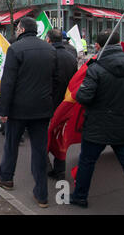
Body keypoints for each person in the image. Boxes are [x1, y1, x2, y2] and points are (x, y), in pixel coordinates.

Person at [0, 17, 58, 209]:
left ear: (20, 29)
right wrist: (50, 103)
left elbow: (8, 82)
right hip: (42, 109)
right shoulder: (50, 49)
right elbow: (56, 80)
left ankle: (6, 177)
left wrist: (3, 110)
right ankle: (41, 194)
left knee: (11, 145)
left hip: (19, 109)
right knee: (39, 151)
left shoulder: (15, 49)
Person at [70, 31, 124, 214]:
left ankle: (80, 196)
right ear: (119, 43)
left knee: (87, 162)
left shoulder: (96, 68)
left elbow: (84, 97)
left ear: (99, 46)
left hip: (97, 127)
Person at [45, 29, 78, 180]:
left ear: (49, 40)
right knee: (60, 137)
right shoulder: (71, 57)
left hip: (50, 103)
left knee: (44, 135)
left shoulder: (49, 56)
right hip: (66, 103)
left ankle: (44, 166)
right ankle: (59, 168)